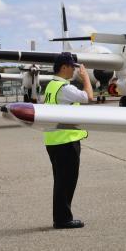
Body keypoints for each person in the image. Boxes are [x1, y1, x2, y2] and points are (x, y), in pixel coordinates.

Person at [43, 52, 94, 229]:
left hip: (53, 140)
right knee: (66, 182)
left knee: (60, 181)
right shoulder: (65, 88)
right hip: (66, 141)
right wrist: (86, 78)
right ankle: (63, 219)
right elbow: (89, 97)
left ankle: (61, 217)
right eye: (72, 66)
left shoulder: (51, 85)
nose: (74, 70)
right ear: (64, 67)